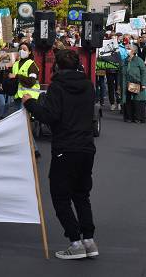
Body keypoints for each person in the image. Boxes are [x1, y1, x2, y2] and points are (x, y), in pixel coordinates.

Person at [22, 49, 97, 260]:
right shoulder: (88, 86)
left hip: (65, 147)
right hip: (86, 146)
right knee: (81, 194)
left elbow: (49, 116)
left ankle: (75, 242)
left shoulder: (57, 87)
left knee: (60, 196)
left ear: (57, 66)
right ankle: (89, 240)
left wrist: (30, 102)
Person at [120, 43, 146, 123]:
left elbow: (143, 72)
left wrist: (143, 84)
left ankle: (138, 118)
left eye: (129, 48)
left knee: (137, 101)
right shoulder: (124, 60)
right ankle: (129, 117)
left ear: (134, 51)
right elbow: (120, 73)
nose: (127, 50)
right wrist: (119, 85)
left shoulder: (139, 60)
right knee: (127, 100)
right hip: (126, 83)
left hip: (137, 83)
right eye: (127, 48)